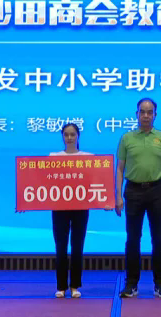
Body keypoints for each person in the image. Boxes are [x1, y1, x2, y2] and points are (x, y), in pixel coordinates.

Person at [115, 98, 161, 298]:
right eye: (142, 112)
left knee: (159, 240)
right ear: (137, 114)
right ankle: (131, 284)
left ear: (155, 115)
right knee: (133, 240)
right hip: (133, 191)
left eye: (150, 112)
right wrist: (117, 195)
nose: (146, 115)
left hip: (157, 191)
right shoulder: (127, 138)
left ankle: (160, 285)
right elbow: (120, 168)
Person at [49, 123, 92, 298]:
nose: (69, 138)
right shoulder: (53, 157)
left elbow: (96, 183)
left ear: (78, 136)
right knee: (60, 247)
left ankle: (75, 286)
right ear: (62, 136)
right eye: (66, 134)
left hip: (81, 208)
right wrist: (26, 203)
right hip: (59, 208)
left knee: (77, 246)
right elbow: (43, 183)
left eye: (72, 134)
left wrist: (105, 202)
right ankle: (61, 286)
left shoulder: (89, 158)